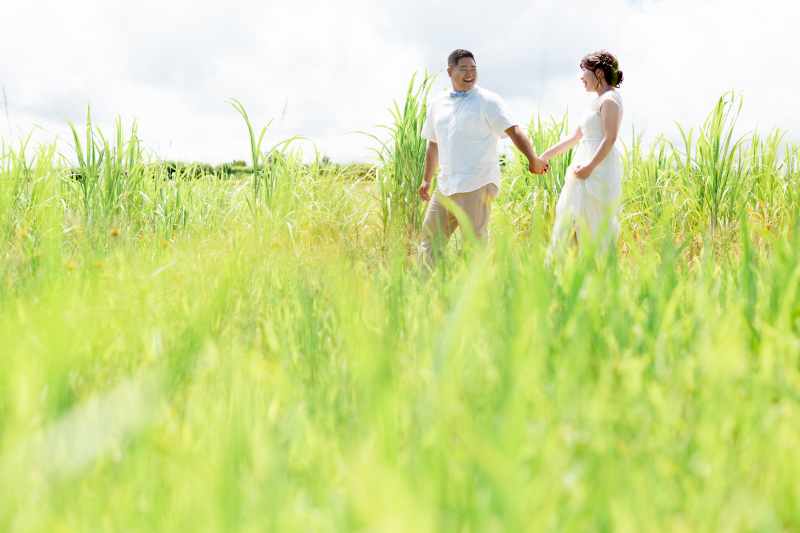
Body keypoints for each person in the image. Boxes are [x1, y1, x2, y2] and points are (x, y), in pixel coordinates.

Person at [418, 49, 549, 270]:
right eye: (463, 69)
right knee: (430, 237)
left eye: (473, 69)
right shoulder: (437, 104)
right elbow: (433, 144)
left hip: (476, 182)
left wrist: (533, 158)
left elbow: (513, 130)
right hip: (446, 184)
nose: (470, 74)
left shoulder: (488, 100)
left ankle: (475, 296)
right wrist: (427, 180)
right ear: (450, 72)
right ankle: (425, 291)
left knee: (473, 244)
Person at [541, 50, 624, 262]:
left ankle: (594, 276)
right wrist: (545, 156)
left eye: (584, 72)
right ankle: (566, 276)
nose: (581, 77)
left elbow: (610, 138)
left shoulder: (610, 99)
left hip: (596, 168)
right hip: (583, 167)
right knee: (572, 223)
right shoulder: (594, 102)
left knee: (590, 224)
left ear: (599, 72)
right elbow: (574, 137)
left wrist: (589, 167)